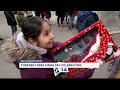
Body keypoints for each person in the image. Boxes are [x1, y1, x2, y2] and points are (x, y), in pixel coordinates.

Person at [1, 16, 95, 78]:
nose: (52, 36)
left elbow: (57, 46)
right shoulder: (37, 71)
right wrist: (89, 67)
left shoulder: (41, 48)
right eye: (46, 34)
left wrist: (72, 50)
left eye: (50, 31)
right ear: (32, 41)